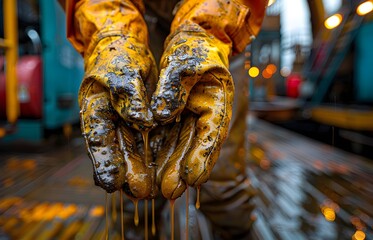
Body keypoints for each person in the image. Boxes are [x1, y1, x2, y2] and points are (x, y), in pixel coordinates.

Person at [59, 0, 267, 238]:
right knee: (133, 183)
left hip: (220, 38)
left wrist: (205, 30)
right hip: (138, 30)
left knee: (223, 181)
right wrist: (113, 36)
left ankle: (234, 225)